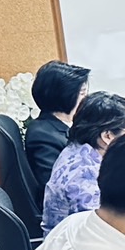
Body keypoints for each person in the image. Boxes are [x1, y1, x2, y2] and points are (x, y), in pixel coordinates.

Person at [41, 90, 125, 235]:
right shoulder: (82, 176)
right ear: (107, 136)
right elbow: (101, 233)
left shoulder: (81, 149)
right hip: (75, 246)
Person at [25, 60, 91, 190]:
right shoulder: (42, 135)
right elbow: (56, 184)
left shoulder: (73, 124)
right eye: (82, 93)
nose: (87, 98)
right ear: (65, 95)